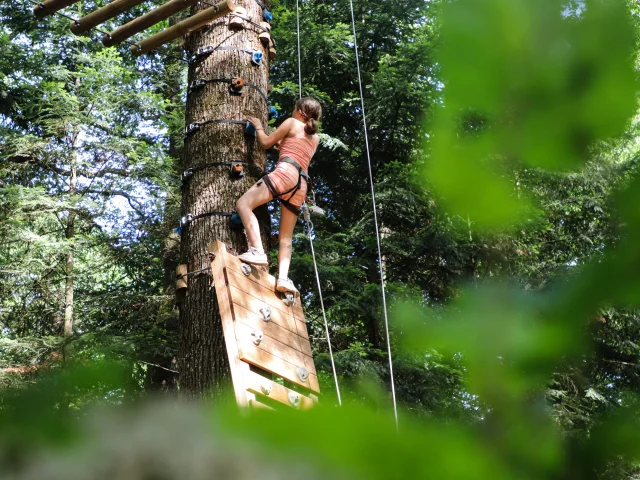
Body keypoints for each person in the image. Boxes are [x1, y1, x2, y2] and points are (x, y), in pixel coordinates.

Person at [236, 97, 322, 296]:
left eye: (294, 108)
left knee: (243, 203)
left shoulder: (292, 123)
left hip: (286, 173)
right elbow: (296, 148)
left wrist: (258, 126)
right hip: (301, 185)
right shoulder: (315, 139)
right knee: (286, 237)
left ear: (300, 111)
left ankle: (257, 250)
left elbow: (266, 143)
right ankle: (283, 278)